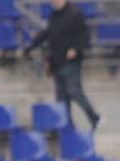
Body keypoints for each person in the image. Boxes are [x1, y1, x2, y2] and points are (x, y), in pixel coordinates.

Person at [24, 0, 100, 132]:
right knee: (61, 99)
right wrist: (31, 47)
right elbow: (47, 34)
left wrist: (75, 49)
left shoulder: (74, 14)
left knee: (74, 91)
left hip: (71, 62)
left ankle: (94, 118)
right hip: (57, 63)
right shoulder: (54, 16)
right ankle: (68, 127)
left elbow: (83, 37)